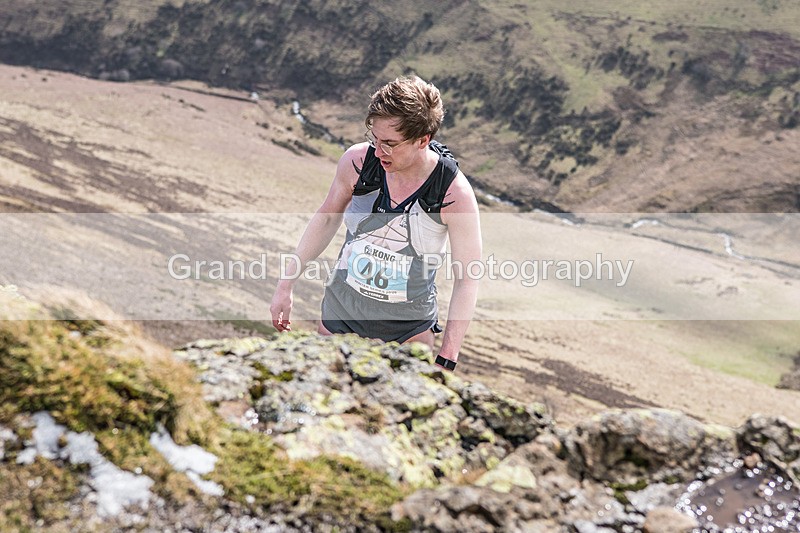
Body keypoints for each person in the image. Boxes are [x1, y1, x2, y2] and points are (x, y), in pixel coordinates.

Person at [270, 76, 481, 371]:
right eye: (375, 139)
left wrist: (447, 357)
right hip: (340, 314)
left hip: (408, 330)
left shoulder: (453, 193)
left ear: (423, 140)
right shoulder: (358, 161)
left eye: (391, 144)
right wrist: (285, 284)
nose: (379, 151)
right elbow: (328, 217)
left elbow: (467, 278)